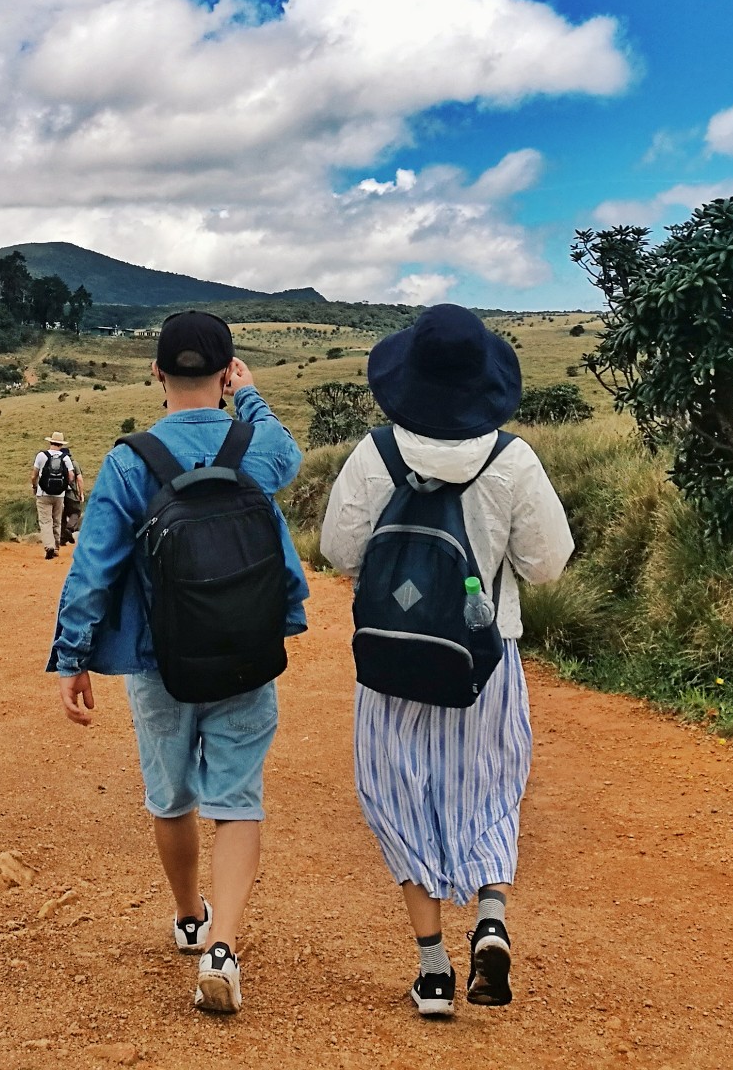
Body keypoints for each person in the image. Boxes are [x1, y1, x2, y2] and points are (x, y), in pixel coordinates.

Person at [48, 312, 308, 1016]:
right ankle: (224, 945)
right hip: (250, 653)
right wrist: (250, 397)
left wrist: (73, 656)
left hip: (158, 658)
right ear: (226, 374)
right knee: (238, 798)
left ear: (156, 373)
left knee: (172, 797)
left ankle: (190, 916)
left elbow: (94, 566)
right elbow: (291, 457)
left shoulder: (132, 460)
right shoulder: (257, 446)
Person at [318, 304, 573, 1018]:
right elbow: (548, 564)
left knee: (397, 797)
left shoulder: (377, 453)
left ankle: (433, 972)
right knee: (490, 789)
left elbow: (338, 549)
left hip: (393, 658)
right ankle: (489, 917)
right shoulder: (512, 459)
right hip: (485, 658)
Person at [31, 431, 81, 560]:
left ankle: (49, 546)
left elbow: (34, 475)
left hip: (43, 494)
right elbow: (71, 476)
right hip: (59, 495)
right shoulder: (65, 458)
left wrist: (35, 486)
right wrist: (63, 485)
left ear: (50, 442)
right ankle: (57, 547)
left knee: (45, 521)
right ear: (61, 444)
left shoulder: (41, 456)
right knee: (57, 521)